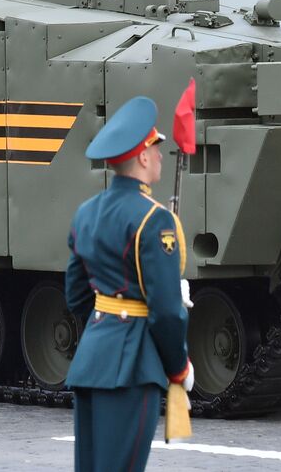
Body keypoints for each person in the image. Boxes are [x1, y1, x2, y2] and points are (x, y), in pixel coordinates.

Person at [66, 95, 193, 471]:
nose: (160, 156)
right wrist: (179, 368)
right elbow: (165, 312)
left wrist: (109, 323)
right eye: (156, 148)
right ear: (142, 157)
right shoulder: (155, 219)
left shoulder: (86, 213)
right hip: (132, 367)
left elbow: (76, 296)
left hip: (92, 360)